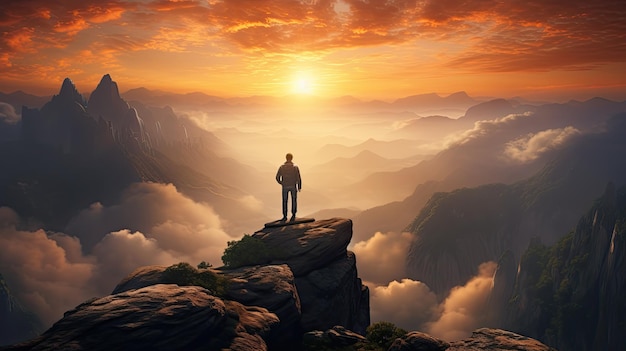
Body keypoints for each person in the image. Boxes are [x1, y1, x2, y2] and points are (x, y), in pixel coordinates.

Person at [275, 153, 302, 221]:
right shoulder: (295, 167)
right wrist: (299, 186)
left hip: (285, 186)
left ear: (286, 158)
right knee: (294, 200)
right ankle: (293, 214)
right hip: (293, 186)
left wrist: (281, 183)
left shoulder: (282, 167)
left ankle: (285, 216)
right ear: (292, 158)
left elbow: (277, 177)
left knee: (285, 201)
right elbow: (298, 177)